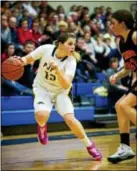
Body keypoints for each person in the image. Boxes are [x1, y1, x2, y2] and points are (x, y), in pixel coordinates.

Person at [16, 33, 102, 161]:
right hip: (42, 88)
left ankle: (90, 146)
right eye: (70, 43)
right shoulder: (46, 49)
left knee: (71, 120)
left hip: (61, 92)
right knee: (42, 115)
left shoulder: (71, 61)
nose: (73, 47)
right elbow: (27, 59)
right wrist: (18, 62)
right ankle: (42, 126)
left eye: (74, 44)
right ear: (60, 44)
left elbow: (66, 83)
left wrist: (57, 70)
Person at [107, 9, 137, 163]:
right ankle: (125, 147)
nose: (110, 26)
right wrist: (116, 75)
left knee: (124, 105)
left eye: (113, 23)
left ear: (122, 23)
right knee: (120, 106)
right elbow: (129, 67)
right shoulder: (120, 42)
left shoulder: (135, 36)